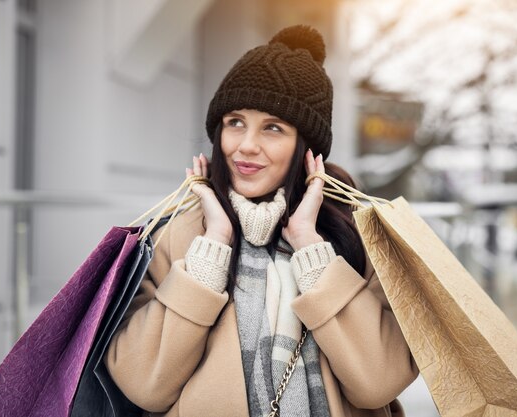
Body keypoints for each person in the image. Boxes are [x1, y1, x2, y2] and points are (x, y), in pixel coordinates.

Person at [105, 25, 418, 417]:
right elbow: (143, 385)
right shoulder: (178, 236)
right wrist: (213, 245)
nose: (246, 145)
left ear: (307, 149)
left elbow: (378, 383)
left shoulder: (354, 237)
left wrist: (309, 245)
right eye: (235, 121)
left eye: (273, 128)